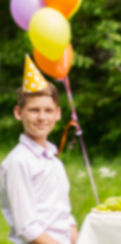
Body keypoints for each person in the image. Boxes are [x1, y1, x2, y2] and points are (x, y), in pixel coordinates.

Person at [0, 56, 78, 244]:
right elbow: (27, 228)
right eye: (34, 110)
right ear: (19, 113)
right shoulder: (19, 162)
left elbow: (64, 213)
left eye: (48, 110)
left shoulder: (53, 160)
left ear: (58, 114)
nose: (42, 117)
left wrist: (75, 237)